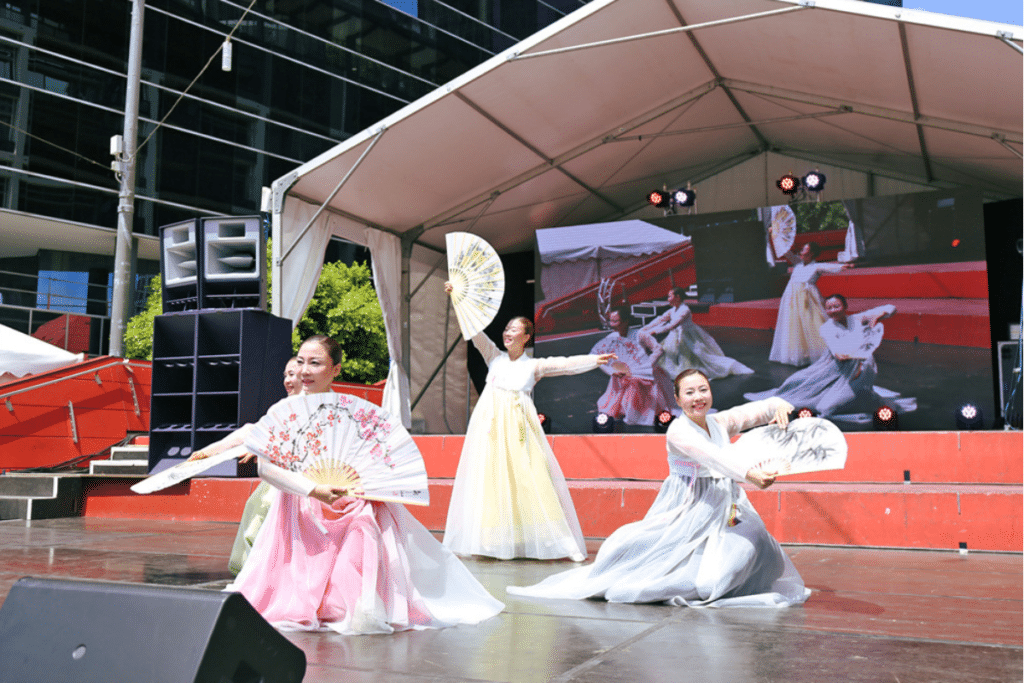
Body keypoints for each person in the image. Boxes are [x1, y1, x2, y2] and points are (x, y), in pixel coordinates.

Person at [227, 334, 504, 634]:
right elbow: (265, 469)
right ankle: (309, 602)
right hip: (300, 500)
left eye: (315, 363)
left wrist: (358, 489)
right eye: (302, 362)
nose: (305, 370)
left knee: (368, 519)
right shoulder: (285, 410)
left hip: (345, 498)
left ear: (336, 369)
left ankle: (349, 604)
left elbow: (369, 459)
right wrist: (314, 490)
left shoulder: (350, 410)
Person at [507, 369, 810, 607]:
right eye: (689, 393)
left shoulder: (718, 422)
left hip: (727, 506)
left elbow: (754, 411)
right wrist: (750, 474)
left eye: (703, 390)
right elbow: (714, 458)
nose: (698, 397)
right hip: (689, 508)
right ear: (677, 400)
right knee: (679, 573)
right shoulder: (678, 430)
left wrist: (779, 405)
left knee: (757, 555)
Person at [443, 282, 616, 561]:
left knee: (529, 477)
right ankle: (492, 541)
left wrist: (595, 360)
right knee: (491, 480)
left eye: (514, 329)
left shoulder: (532, 366)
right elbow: (474, 331)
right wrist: (458, 299)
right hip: (490, 430)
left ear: (526, 336)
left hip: (519, 429)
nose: (508, 332)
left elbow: (566, 364)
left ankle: (555, 541)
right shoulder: (494, 358)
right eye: (507, 328)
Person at [745, 294, 916, 423]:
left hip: (860, 366)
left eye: (836, 306)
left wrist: (878, 315)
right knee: (797, 382)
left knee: (828, 407)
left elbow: (891, 307)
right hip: (834, 366)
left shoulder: (857, 319)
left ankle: (857, 398)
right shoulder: (827, 327)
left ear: (845, 306)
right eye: (829, 308)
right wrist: (842, 354)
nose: (833, 311)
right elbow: (836, 350)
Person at [226, 357, 300, 575]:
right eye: (285, 375)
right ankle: (252, 569)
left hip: (299, 479)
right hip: (278, 476)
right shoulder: (282, 406)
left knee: (264, 509)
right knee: (257, 508)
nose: (287, 380)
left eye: (293, 375)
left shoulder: (313, 404)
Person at [641, 287, 754, 380]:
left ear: (677, 297)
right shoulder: (673, 310)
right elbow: (660, 319)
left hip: (687, 336)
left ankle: (726, 366)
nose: (668, 298)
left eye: (670, 296)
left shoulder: (684, 310)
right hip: (675, 335)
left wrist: (655, 331)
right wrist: (646, 328)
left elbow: (673, 325)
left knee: (697, 356)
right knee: (670, 354)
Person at [769, 242, 853, 366]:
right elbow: (787, 252)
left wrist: (843, 266)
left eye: (804, 249)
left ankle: (827, 350)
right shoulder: (798, 263)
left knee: (812, 322)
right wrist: (774, 236)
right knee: (794, 325)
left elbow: (829, 267)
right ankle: (799, 352)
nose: (801, 251)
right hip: (792, 297)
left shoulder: (816, 266)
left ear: (811, 253)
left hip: (807, 298)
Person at [592, 306, 677, 426]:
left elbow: (658, 349)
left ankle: (637, 412)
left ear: (626, 321)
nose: (612, 324)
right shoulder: (611, 338)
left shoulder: (639, 334)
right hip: (623, 373)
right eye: (611, 321)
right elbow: (601, 359)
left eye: (615, 321)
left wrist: (646, 365)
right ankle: (625, 409)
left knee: (638, 388)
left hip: (643, 375)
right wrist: (611, 371)